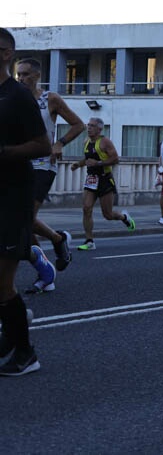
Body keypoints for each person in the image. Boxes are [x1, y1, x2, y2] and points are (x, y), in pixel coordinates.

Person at [0, 28, 52, 375]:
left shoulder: (18, 96)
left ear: (5, 53)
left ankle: (26, 353)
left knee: (2, 283)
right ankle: (11, 340)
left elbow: (43, 145)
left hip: (11, 198)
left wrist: (5, 153)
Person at [15, 58, 83, 278]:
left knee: (24, 218)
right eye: (18, 75)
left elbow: (78, 124)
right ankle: (56, 242)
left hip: (44, 163)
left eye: (25, 74)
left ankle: (48, 265)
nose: (21, 78)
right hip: (19, 164)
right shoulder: (14, 98)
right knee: (20, 222)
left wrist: (59, 143)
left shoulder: (50, 99)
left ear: (37, 76)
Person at [70, 118, 136, 250]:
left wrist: (98, 163)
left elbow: (115, 159)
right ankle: (89, 241)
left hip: (105, 179)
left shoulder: (105, 142)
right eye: (88, 125)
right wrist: (79, 164)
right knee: (86, 208)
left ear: (99, 129)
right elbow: (88, 158)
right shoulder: (86, 141)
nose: (89, 128)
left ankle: (124, 217)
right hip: (91, 179)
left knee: (108, 214)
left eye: (92, 126)